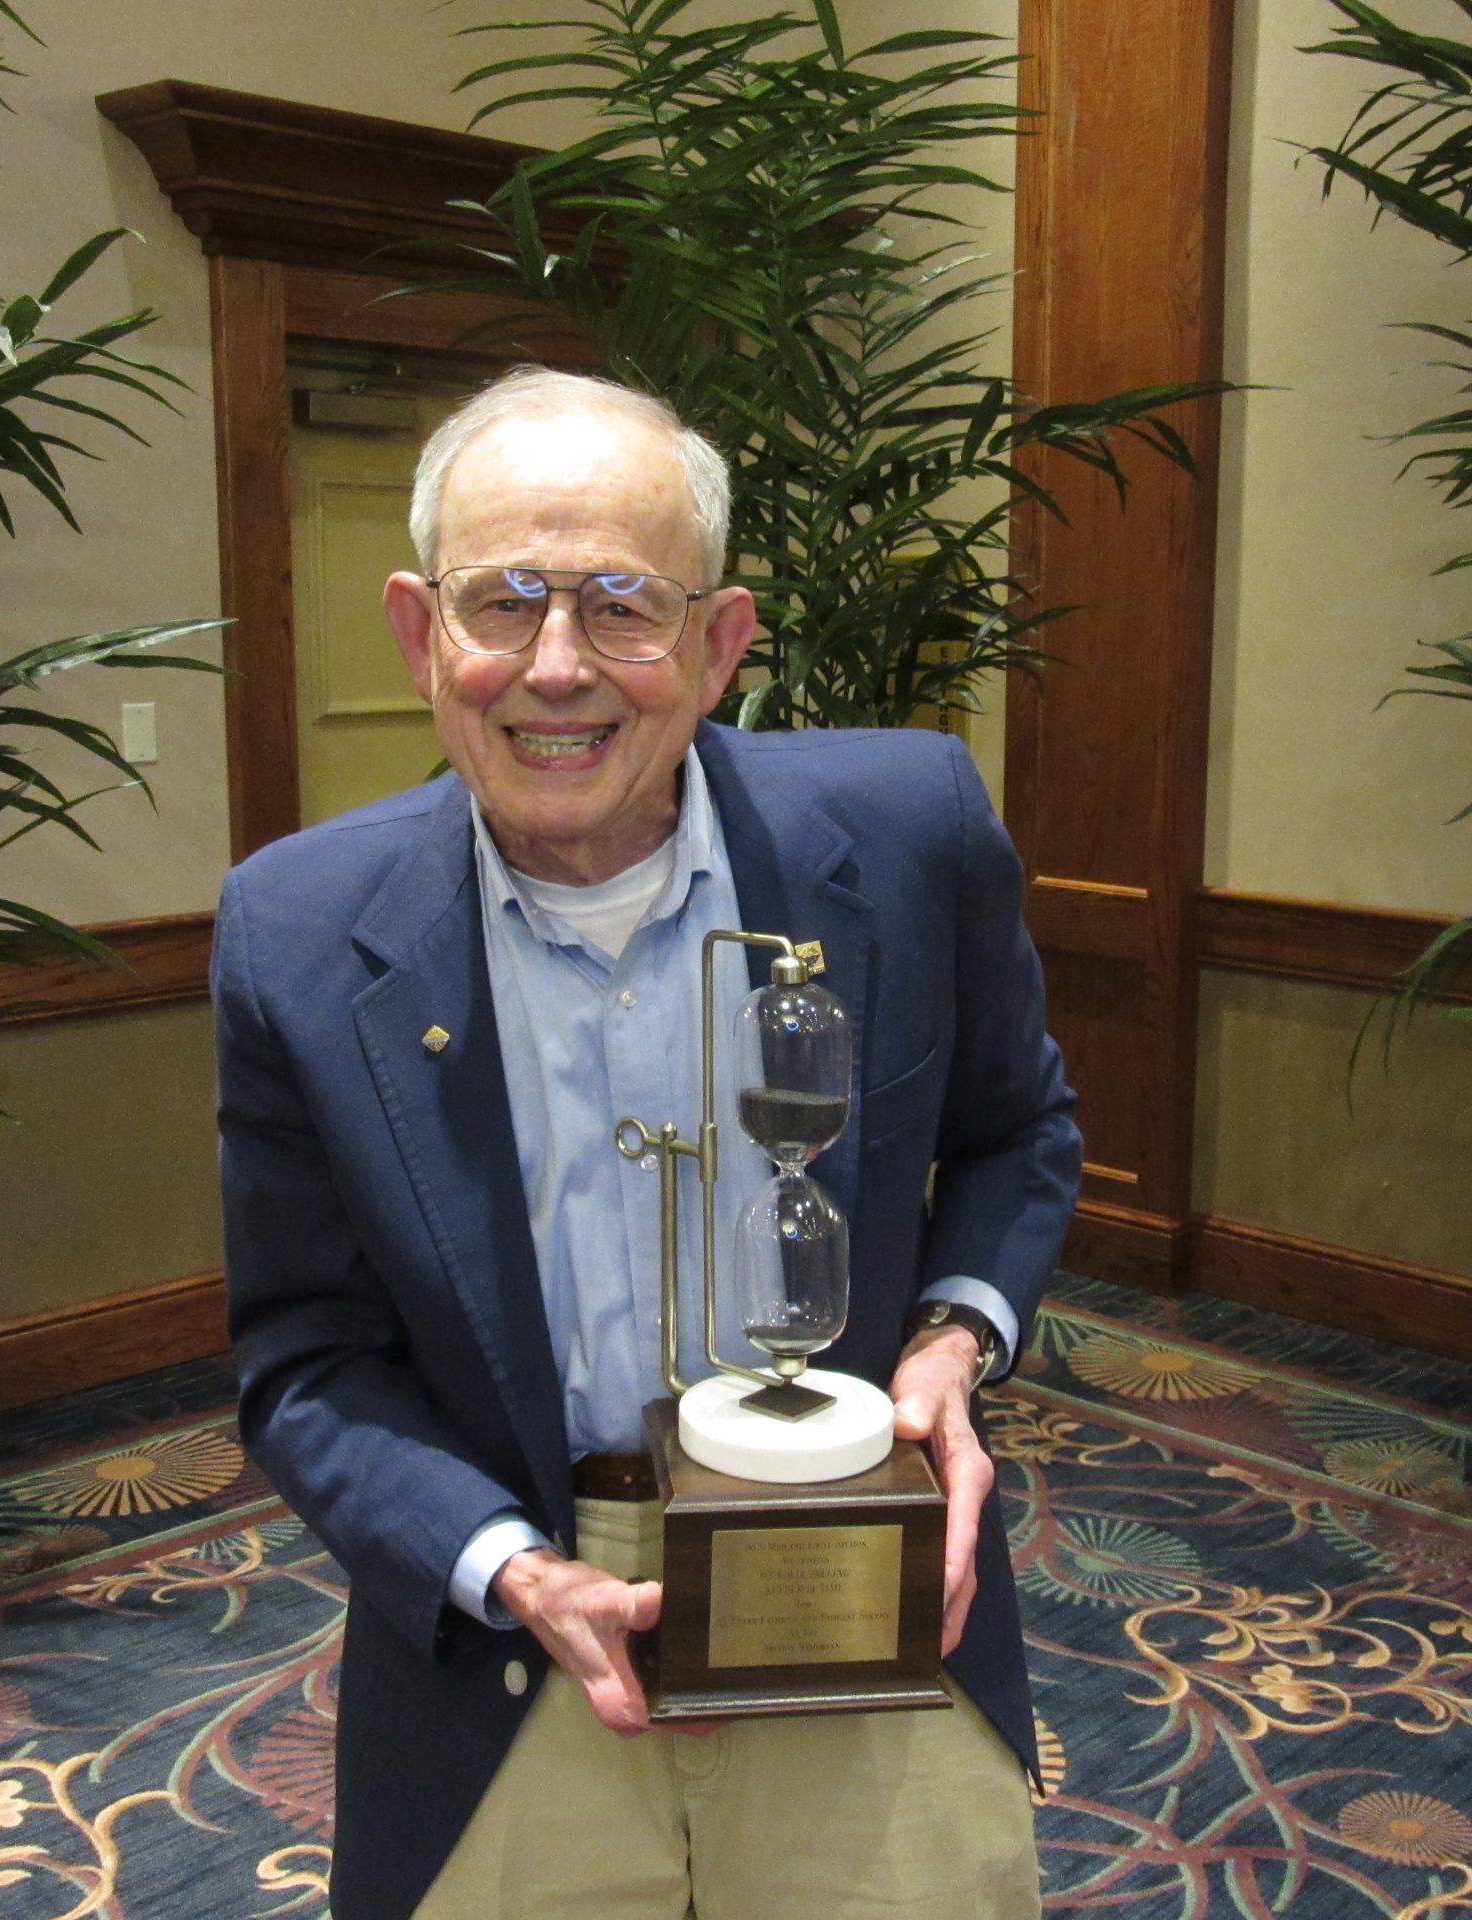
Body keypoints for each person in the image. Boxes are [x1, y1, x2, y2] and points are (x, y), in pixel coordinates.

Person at [213, 367, 1080, 1920]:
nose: (556, 667)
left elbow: (1018, 1134)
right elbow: (305, 1360)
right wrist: (505, 1567)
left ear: (718, 642)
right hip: (513, 1634)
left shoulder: (910, 829)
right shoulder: (295, 932)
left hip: (858, 1589)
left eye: (623, 605)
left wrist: (953, 1345)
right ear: (421, 633)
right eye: (502, 602)